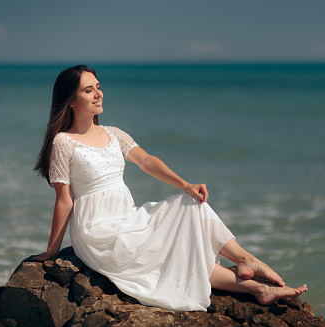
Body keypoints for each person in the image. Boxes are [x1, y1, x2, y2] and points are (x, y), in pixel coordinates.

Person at [33, 65, 307, 312]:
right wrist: (52, 252)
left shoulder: (114, 133)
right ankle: (253, 276)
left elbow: (148, 161)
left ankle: (253, 278)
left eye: (99, 87)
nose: (98, 94)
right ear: (71, 101)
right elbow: (64, 200)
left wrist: (185, 184)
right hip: (97, 232)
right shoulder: (63, 142)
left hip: (128, 218)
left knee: (191, 206)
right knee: (175, 251)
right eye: (88, 90)